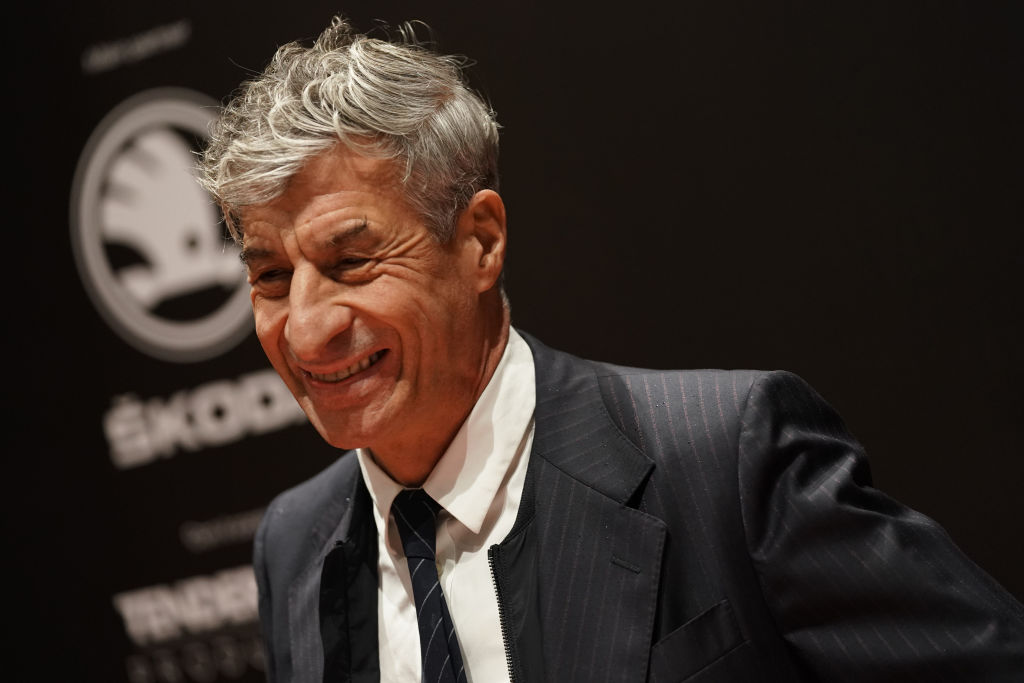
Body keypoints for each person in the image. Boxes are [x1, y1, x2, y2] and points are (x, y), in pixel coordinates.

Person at [199, 15, 1024, 683]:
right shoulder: (294, 541)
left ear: (480, 242)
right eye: (271, 275)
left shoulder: (723, 457)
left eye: (352, 262)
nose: (306, 327)